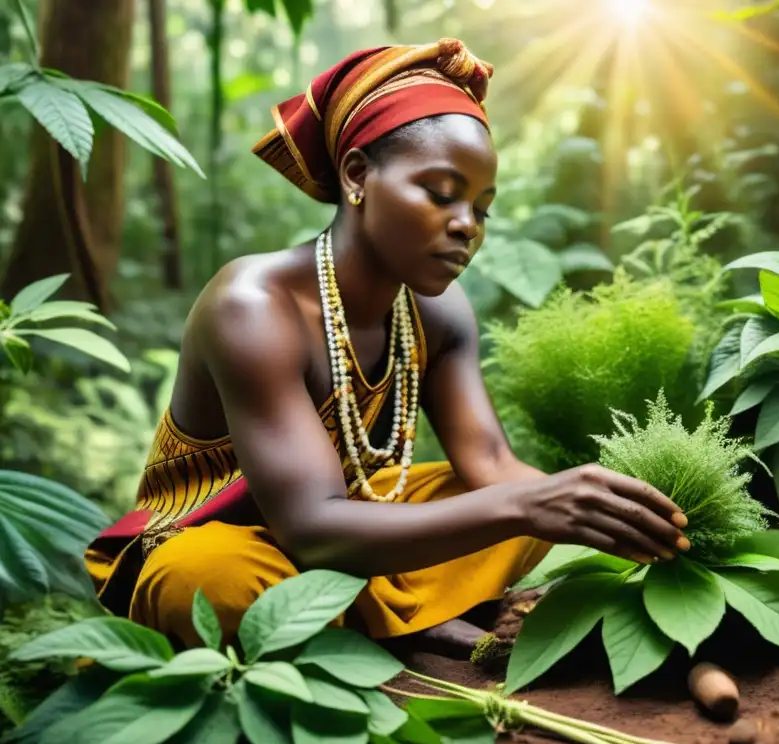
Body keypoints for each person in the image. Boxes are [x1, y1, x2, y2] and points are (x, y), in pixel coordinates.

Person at [84, 38, 691, 655]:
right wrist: (527, 503)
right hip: (248, 542)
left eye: (482, 208)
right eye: (440, 192)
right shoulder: (252, 305)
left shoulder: (440, 313)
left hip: (362, 534)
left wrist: (601, 515)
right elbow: (311, 526)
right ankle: (415, 619)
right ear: (357, 175)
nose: (466, 226)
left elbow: (493, 469)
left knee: (506, 508)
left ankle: (374, 623)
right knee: (207, 583)